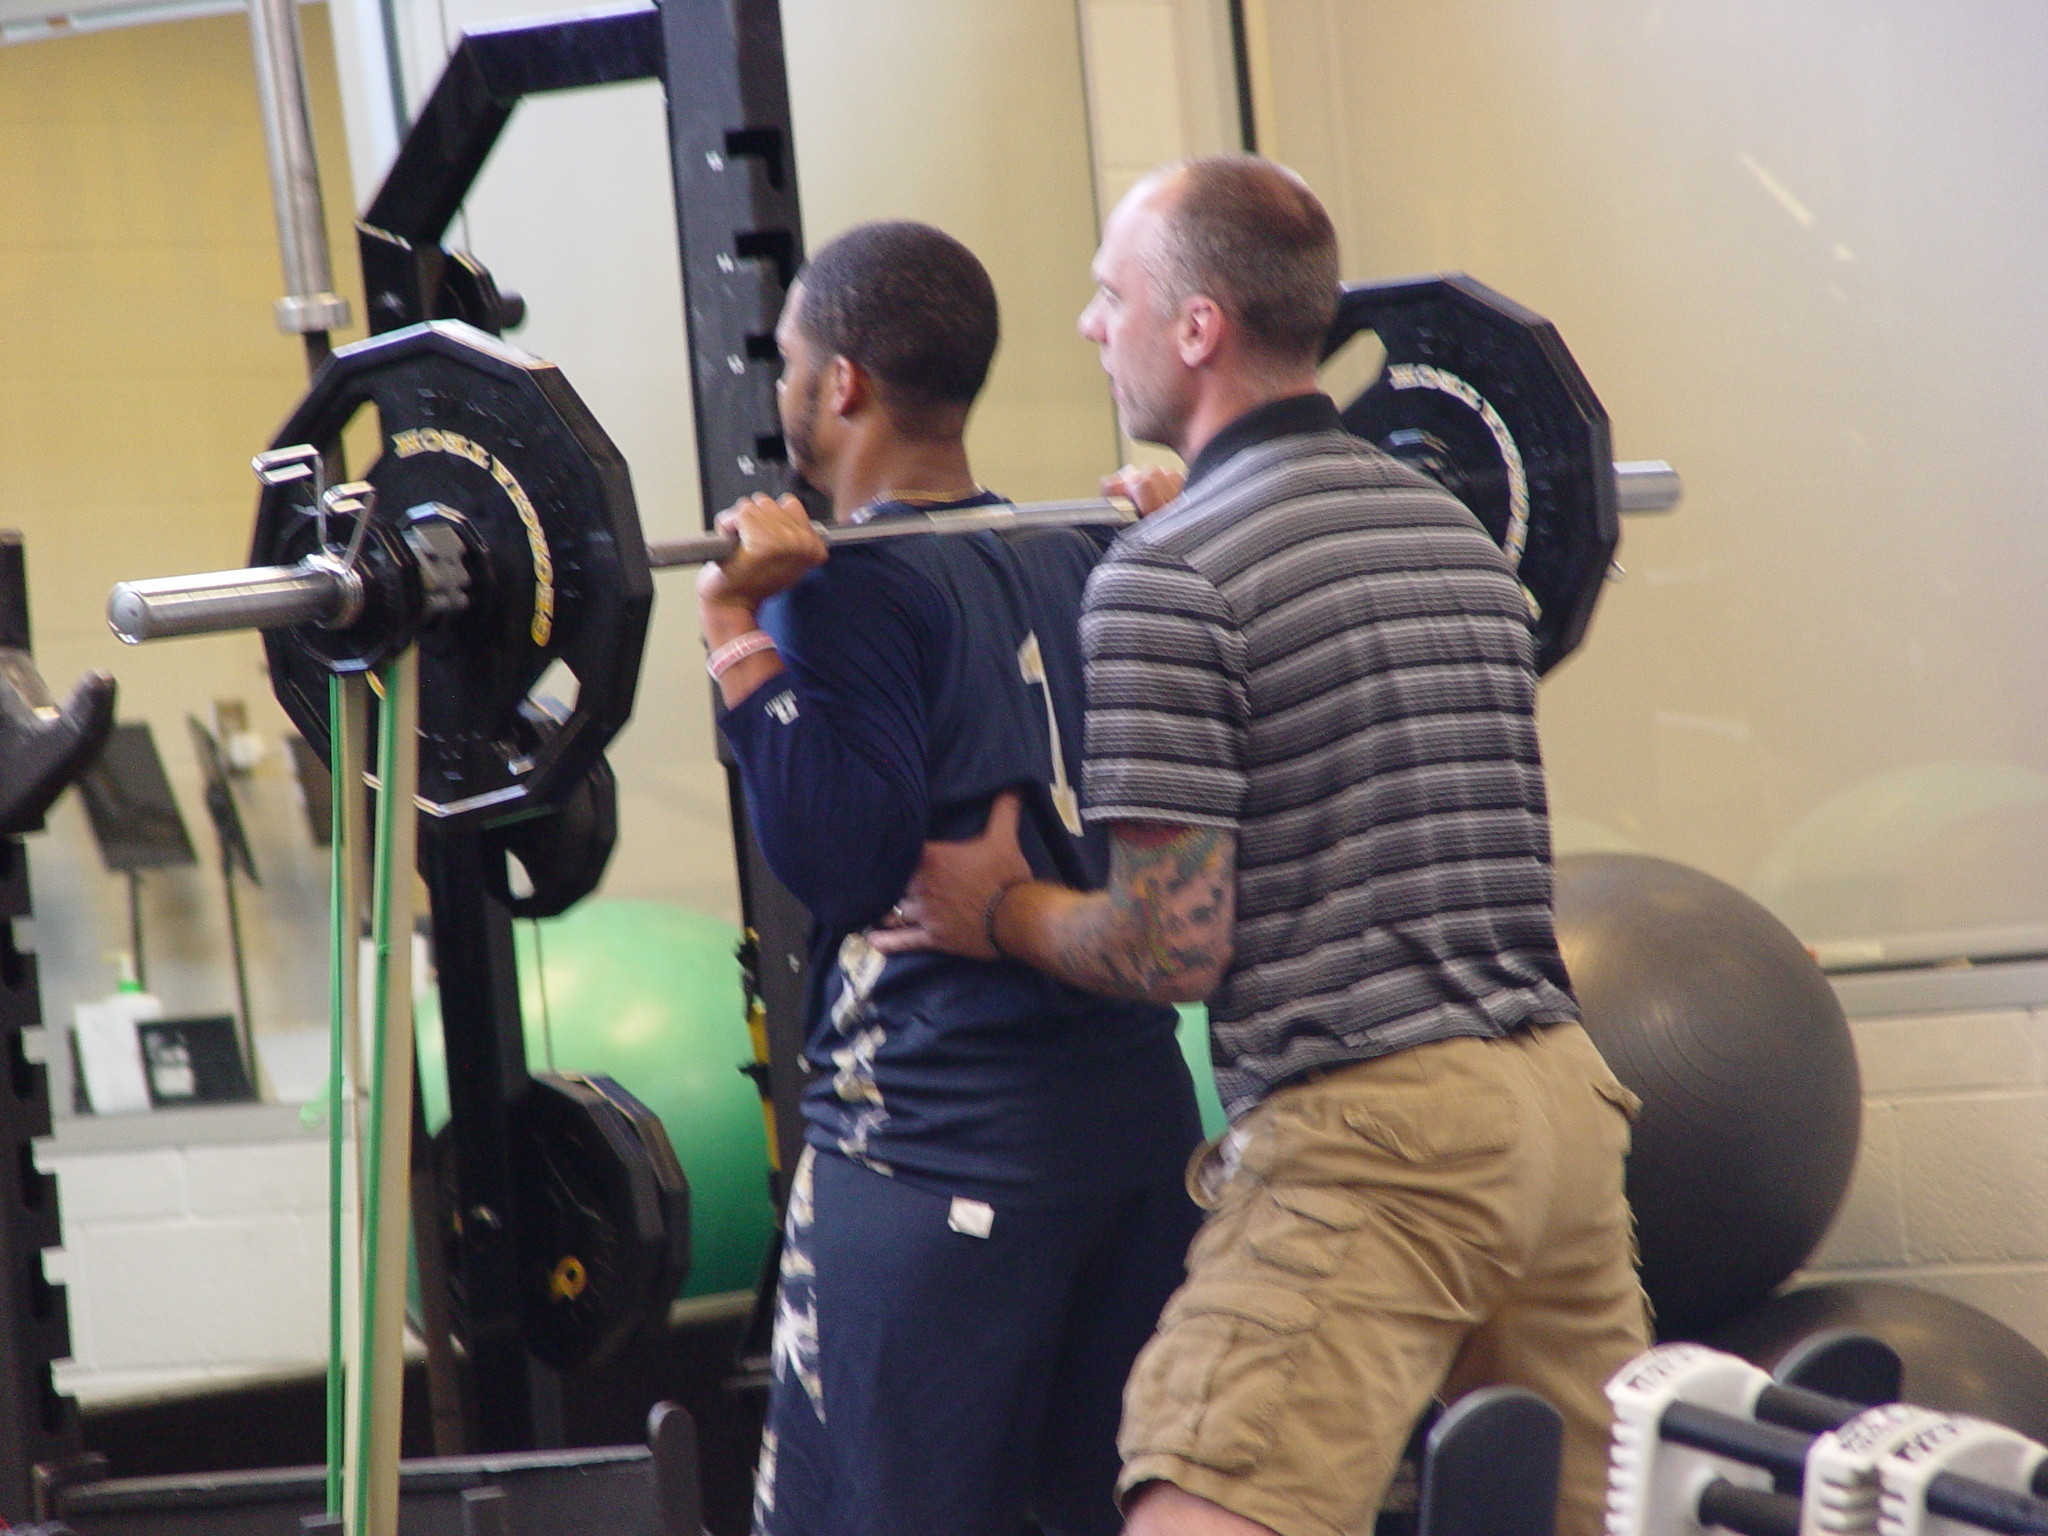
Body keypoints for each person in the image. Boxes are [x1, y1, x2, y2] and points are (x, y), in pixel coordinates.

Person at [873, 159, 1649, 1536]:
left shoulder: (1169, 580)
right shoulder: (1458, 535)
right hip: (1561, 1117)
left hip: (1382, 1135)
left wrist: (1000, 911)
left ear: (1197, 328)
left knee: (1202, 1506)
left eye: (1111, 298)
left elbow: (1169, 947)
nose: (1085, 328)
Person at [695, 220, 1206, 1536]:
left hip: (932, 1157)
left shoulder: (844, 581)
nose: (787, 394)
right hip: (1138, 1158)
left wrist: (738, 636)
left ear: (844, 384)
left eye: (793, 365)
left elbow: (845, 864)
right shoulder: (1092, 554)